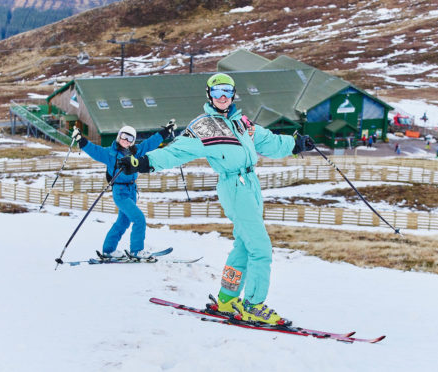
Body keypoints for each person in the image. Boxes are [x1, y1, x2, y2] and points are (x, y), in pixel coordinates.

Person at [118, 73, 314, 325]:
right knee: (260, 247)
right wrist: (143, 162)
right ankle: (253, 305)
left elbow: (267, 140)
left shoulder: (241, 122)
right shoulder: (204, 126)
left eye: (227, 91)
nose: (222, 97)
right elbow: (177, 151)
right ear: (209, 95)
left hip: (250, 184)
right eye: (217, 92)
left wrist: (295, 144)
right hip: (234, 185)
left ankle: (227, 298)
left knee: (244, 245)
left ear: (233, 94)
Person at [71, 122, 176, 258]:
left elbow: (150, 143)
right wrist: (80, 139)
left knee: (123, 222)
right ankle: (136, 251)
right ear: (118, 136)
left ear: (133, 141)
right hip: (120, 191)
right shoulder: (110, 154)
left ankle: (108, 250)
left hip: (131, 190)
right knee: (139, 219)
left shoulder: (137, 151)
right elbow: (94, 150)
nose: (125, 140)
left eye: (130, 138)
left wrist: (166, 132)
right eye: (123, 136)